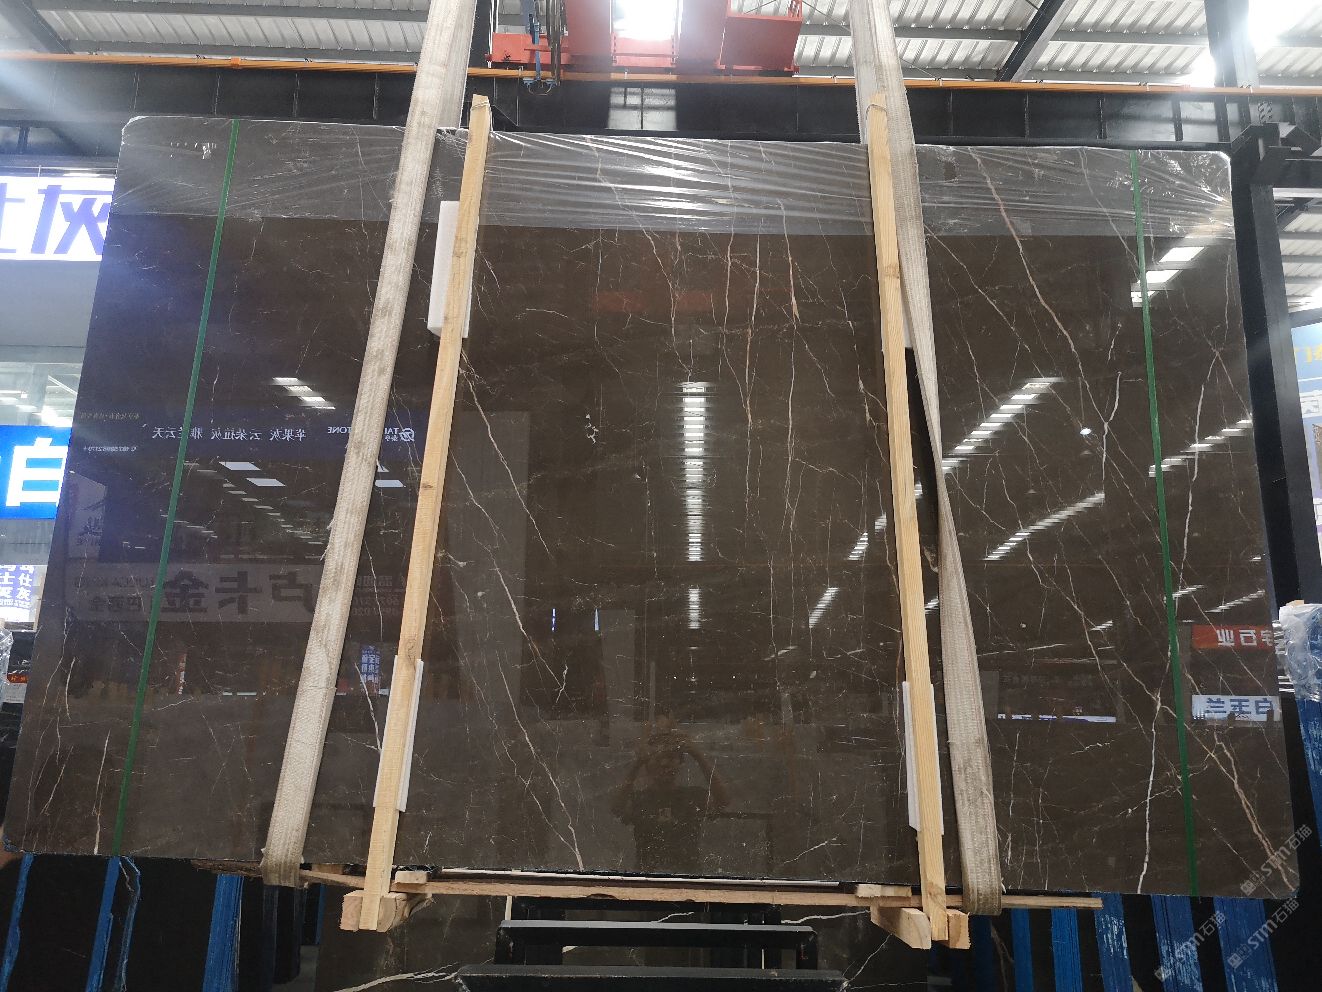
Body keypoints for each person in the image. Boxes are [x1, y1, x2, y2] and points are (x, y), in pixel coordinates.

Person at [611, 719, 729, 874]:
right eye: (658, 758)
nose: (665, 763)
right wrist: (637, 764)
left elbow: (723, 801)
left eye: (671, 757)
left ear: (680, 763)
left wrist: (698, 756)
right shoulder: (639, 799)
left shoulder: (693, 796)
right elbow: (617, 808)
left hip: (687, 877)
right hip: (647, 879)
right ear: (647, 764)